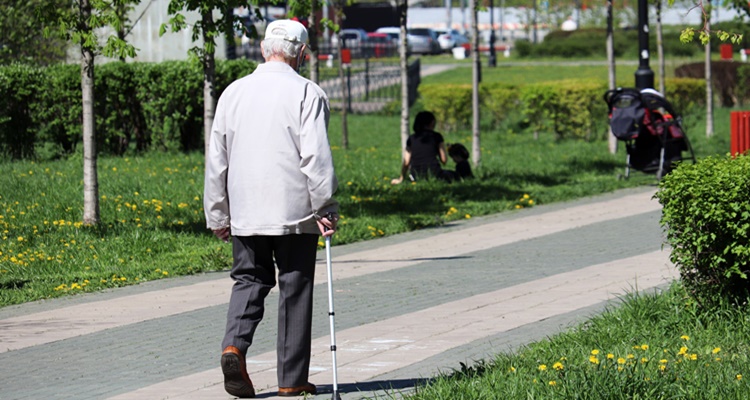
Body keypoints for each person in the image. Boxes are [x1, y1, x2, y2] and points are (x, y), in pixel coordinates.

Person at [203, 19, 339, 399]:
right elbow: (315, 157)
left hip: (246, 209)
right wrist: (325, 205)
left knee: (249, 281)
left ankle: (234, 346)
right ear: (303, 55)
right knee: (295, 287)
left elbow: (218, 159)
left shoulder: (233, 93)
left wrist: (217, 213)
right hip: (296, 212)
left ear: (264, 50)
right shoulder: (307, 93)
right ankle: (292, 381)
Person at [390, 111, 449, 184]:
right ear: (432, 123)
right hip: (435, 174)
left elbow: (406, 162)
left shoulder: (411, 138)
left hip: (415, 176)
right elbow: (444, 160)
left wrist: (401, 178)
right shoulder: (437, 136)